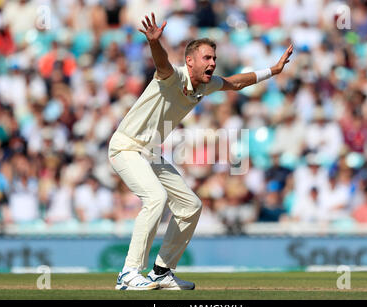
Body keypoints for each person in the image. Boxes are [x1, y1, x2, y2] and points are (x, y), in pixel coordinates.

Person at [108, 12, 293, 290]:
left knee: (190, 206)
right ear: (190, 61)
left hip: (150, 153)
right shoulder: (173, 77)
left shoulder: (205, 86)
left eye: (214, 59)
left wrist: (273, 70)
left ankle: (161, 271)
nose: (213, 63)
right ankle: (129, 272)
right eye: (207, 58)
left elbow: (236, 82)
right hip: (126, 146)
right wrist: (154, 43)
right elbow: (162, 63)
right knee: (156, 198)